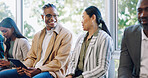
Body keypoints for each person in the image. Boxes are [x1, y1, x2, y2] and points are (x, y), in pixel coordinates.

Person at [0, 3, 72, 78]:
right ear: (42, 17)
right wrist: (23, 68)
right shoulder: (38, 35)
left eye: (55, 15)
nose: (52, 18)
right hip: (33, 69)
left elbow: (59, 61)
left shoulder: (65, 34)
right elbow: (31, 57)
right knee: (2, 75)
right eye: (48, 15)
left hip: (51, 72)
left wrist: (39, 69)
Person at [66, 6, 114, 78]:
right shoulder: (81, 38)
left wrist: (82, 77)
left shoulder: (105, 38)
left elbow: (102, 68)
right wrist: (69, 75)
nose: (82, 21)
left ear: (93, 18)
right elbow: (72, 60)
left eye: (83, 17)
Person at [118, 0, 148, 77]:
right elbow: (124, 68)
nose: (143, 15)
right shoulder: (129, 34)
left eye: (147, 10)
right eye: (139, 11)